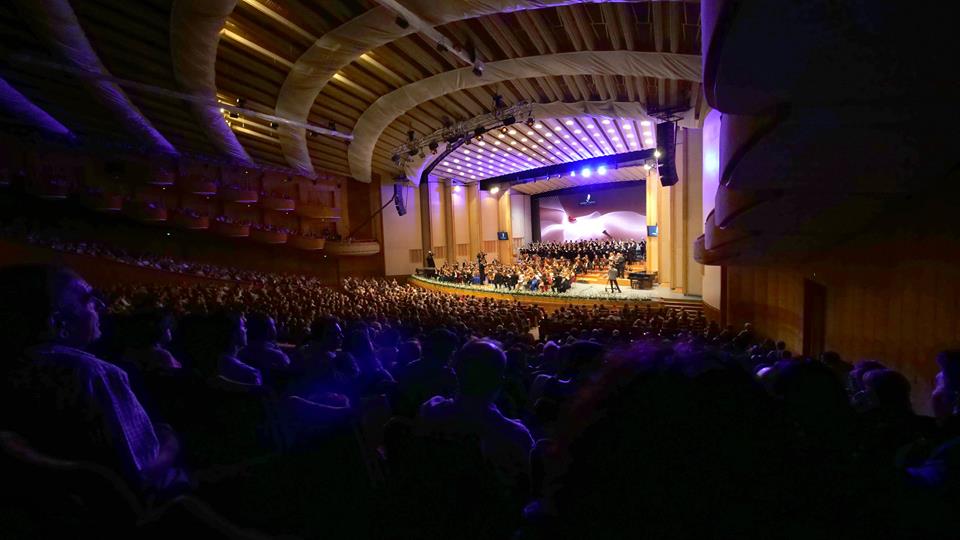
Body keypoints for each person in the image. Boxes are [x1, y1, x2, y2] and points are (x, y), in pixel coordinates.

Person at [0, 264, 184, 495]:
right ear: (59, 324)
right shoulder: (93, 373)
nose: (101, 307)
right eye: (88, 301)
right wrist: (169, 441)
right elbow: (143, 474)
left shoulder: (14, 364)